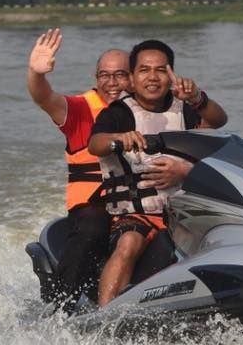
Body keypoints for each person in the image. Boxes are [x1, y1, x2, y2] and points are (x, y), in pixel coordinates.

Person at [88, 39, 228, 306]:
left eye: (161, 70)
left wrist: (198, 98)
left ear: (171, 74)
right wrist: (119, 137)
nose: (152, 77)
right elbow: (95, 144)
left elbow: (218, 122)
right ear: (131, 78)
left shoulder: (185, 108)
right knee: (129, 243)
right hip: (138, 213)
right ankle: (104, 312)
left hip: (183, 210)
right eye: (144, 70)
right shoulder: (118, 114)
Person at [26, 28, 130, 311]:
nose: (113, 83)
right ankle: (62, 311)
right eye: (104, 76)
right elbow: (45, 98)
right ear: (96, 79)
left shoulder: (146, 110)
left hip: (138, 204)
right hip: (92, 207)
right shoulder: (81, 109)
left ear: (133, 78)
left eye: (121, 75)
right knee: (92, 230)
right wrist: (37, 74)